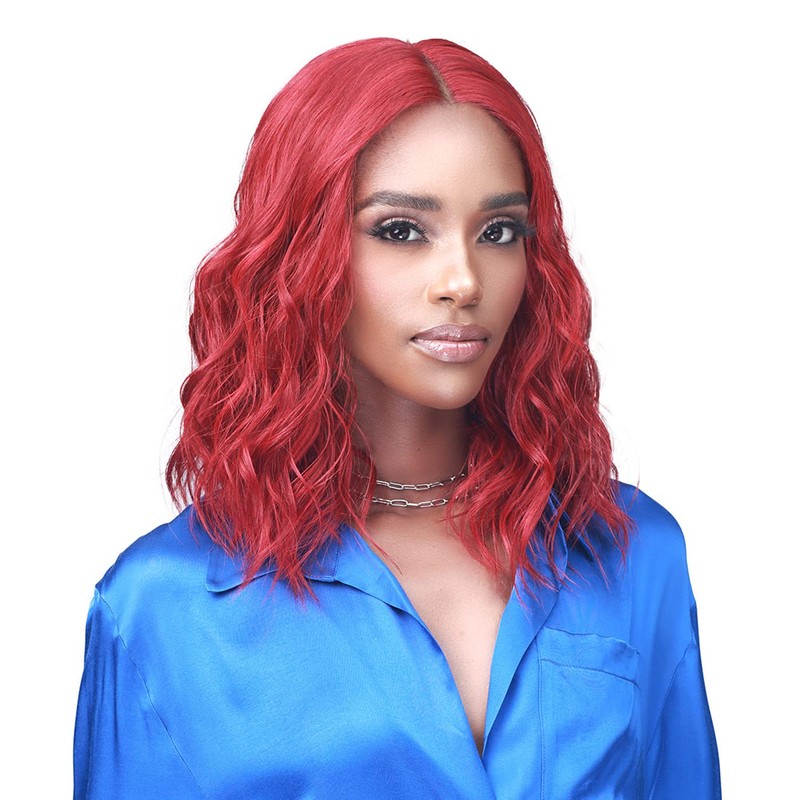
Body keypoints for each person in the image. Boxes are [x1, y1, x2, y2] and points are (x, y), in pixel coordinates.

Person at [73, 37, 721, 799]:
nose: (463, 280)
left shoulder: (632, 550)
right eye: (401, 231)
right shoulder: (161, 602)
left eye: (499, 232)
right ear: (300, 255)